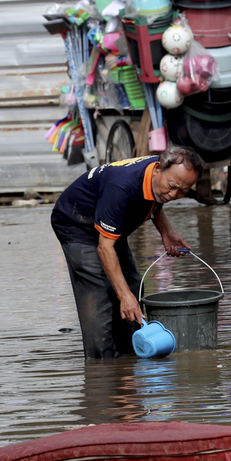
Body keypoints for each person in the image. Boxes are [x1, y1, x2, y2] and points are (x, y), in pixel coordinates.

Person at [51, 146, 205, 358]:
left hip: (111, 222)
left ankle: (130, 354)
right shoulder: (122, 187)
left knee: (133, 285)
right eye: (172, 186)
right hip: (76, 222)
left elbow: (157, 198)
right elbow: (104, 248)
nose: (174, 195)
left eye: (183, 191)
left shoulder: (157, 176)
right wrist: (124, 296)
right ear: (158, 169)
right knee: (100, 292)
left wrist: (166, 231)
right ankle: (101, 364)